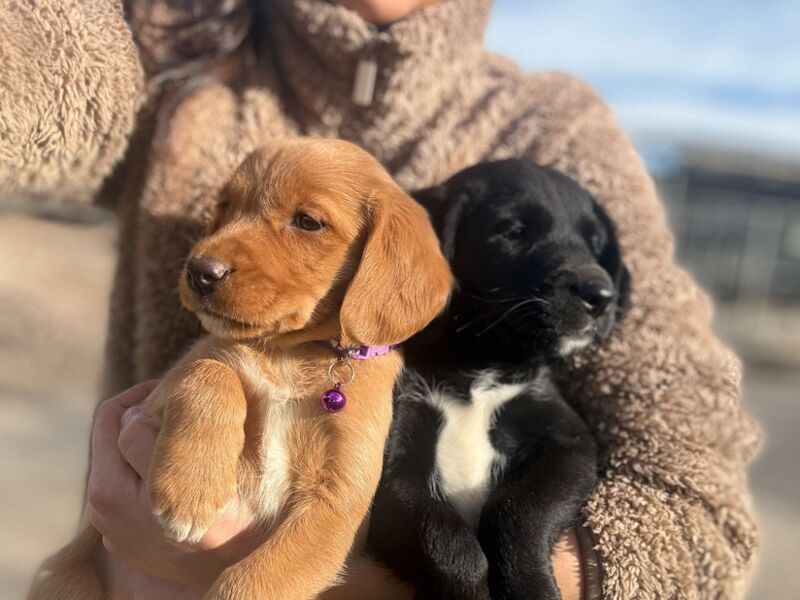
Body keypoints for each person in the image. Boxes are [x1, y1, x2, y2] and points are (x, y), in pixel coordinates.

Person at [1, 1, 761, 598]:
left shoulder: (554, 130)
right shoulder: (172, 56)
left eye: (305, 224)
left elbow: (699, 507)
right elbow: (53, 62)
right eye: (216, 214)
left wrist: (363, 588)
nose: (215, 252)